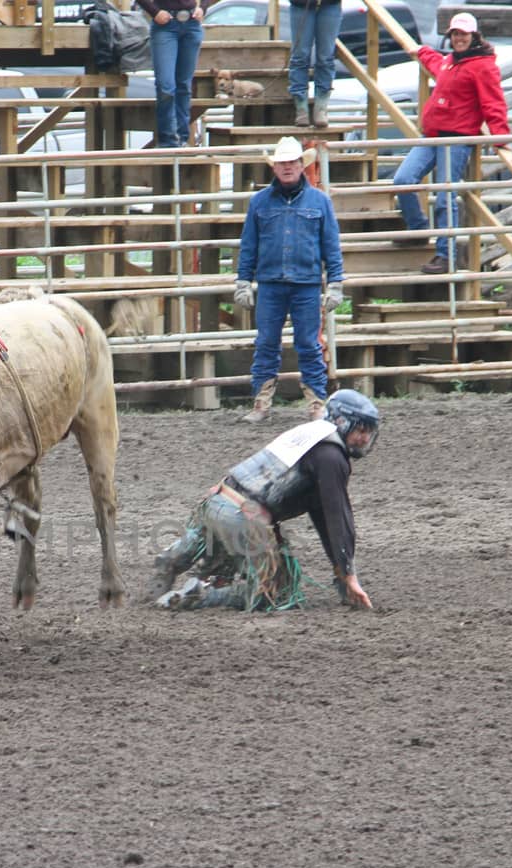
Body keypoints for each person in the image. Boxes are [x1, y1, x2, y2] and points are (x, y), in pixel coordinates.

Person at [151, 388, 379, 612]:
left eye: (369, 431)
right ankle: (201, 595)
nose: (365, 438)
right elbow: (337, 518)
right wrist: (349, 575)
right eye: (360, 430)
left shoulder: (310, 435)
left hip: (217, 500)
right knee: (277, 593)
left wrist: (342, 572)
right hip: (243, 519)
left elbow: (321, 512)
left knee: (214, 540)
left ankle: (176, 556)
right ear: (341, 422)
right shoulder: (332, 458)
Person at [234, 135, 344, 423]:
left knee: (307, 343)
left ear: (300, 165)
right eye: (282, 163)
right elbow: (249, 245)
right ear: (275, 167)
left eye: (291, 162)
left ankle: (315, 404)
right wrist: (243, 281)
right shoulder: (260, 203)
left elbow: (331, 244)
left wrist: (335, 282)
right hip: (272, 283)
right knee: (267, 343)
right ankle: (263, 403)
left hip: (304, 283)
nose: (287, 167)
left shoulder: (319, 202)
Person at [390, 11, 508, 275]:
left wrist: (501, 137)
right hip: (432, 135)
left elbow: (493, 102)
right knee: (403, 180)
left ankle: (446, 256)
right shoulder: (450, 62)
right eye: (455, 34)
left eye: (463, 34)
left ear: (474, 36)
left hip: (456, 139)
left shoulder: (483, 66)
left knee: (445, 197)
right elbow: (436, 62)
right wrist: (421, 51)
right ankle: (418, 229)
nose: (458, 39)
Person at [136, 0, 203, 149]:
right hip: (165, 24)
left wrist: (202, 7)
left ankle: (182, 139)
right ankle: (168, 141)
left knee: (184, 85)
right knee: (165, 85)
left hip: (192, 23)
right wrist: (154, 11)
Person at [288, 0, 343, 129]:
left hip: (330, 4)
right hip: (301, 4)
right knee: (300, 56)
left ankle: (321, 108)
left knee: (325, 57)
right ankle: (301, 108)